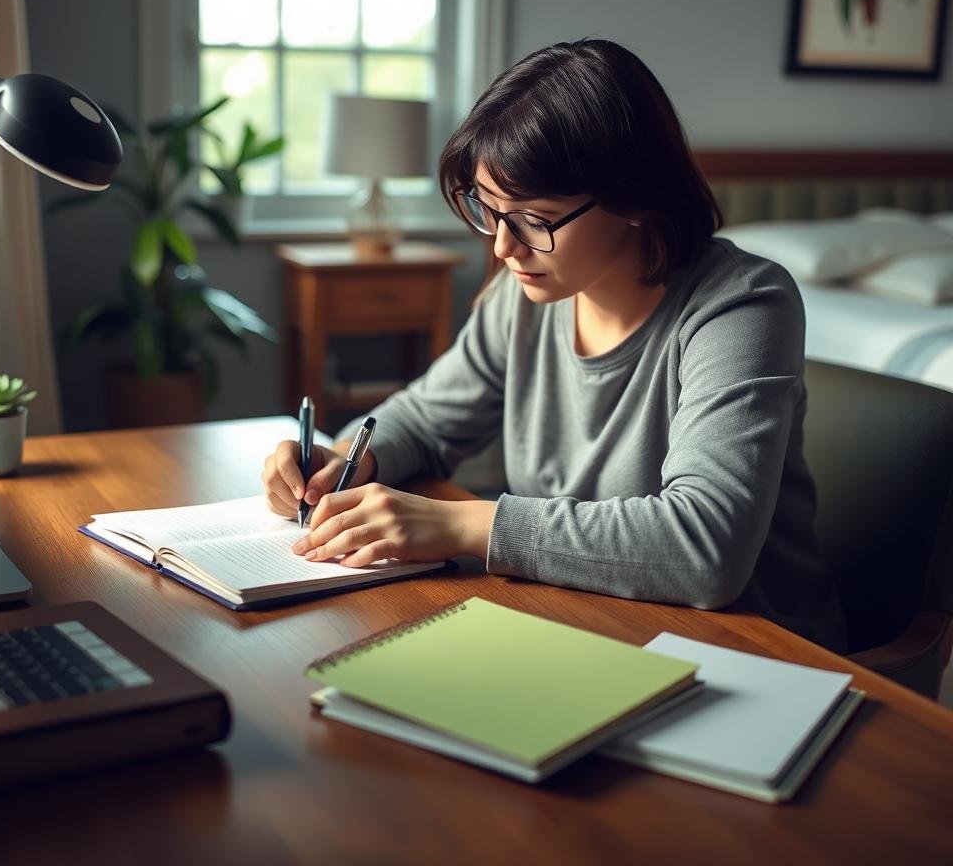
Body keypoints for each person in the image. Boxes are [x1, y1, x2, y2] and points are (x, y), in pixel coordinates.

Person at [261, 38, 846, 652]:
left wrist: (461, 524)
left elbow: (707, 547)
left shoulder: (742, 306)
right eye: (488, 210)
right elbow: (427, 420)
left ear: (635, 199)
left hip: (753, 653)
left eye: (534, 220)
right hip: (588, 627)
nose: (502, 248)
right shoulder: (527, 296)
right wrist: (343, 460)